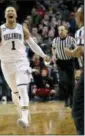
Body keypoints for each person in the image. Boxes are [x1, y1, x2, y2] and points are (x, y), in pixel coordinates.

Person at [0, 7, 50, 128]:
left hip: (21, 62)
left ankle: (24, 118)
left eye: (12, 11)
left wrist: (43, 55)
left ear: (15, 15)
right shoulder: (0, 31)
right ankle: (22, 111)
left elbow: (32, 44)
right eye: (8, 11)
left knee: (22, 88)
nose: (10, 12)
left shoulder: (22, 29)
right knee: (15, 92)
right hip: (6, 65)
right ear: (5, 15)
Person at [64, 5, 84, 135]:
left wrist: (69, 52)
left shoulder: (81, 31)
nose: (75, 17)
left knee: (77, 107)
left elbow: (80, 51)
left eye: (77, 15)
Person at [52, 25, 76, 108]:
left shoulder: (71, 39)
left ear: (66, 31)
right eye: (59, 30)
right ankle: (66, 99)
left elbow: (76, 49)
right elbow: (53, 48)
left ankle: (72, 100)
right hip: (60, 62)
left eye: (62, 30)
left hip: (69, 62)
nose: (60, 32)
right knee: (62, 82)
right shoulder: (55, 40)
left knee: (71, 82)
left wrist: (70, 52)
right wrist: (54, 56)